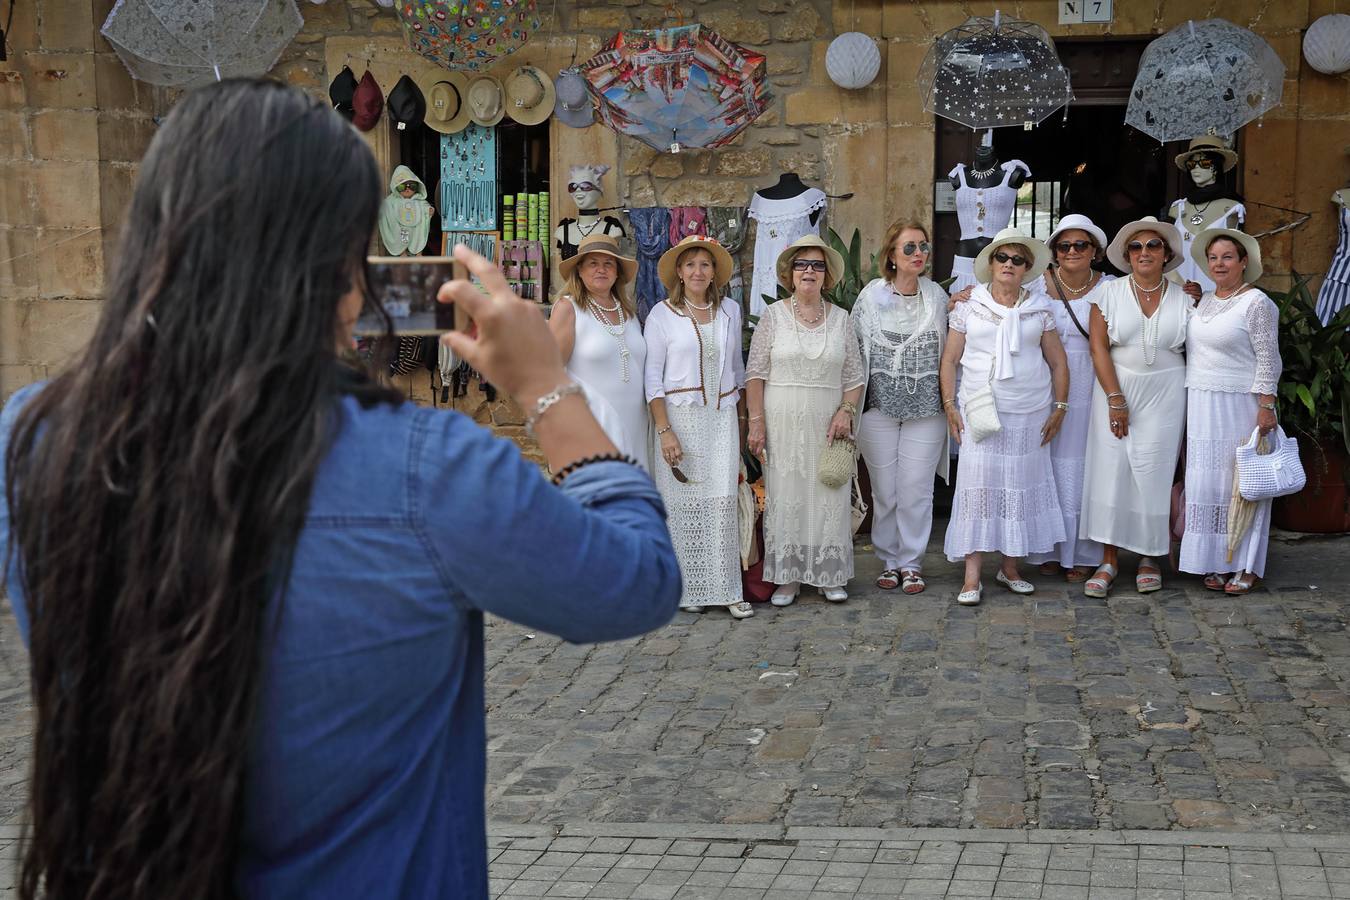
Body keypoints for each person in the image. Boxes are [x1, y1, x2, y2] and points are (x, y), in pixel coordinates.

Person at [0, 79, 680, 900]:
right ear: (345, 270)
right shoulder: (426, 465)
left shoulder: (33, 436)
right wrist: (544, 383)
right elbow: (633, 582)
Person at [939, 228, 1070, 606]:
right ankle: (972, 574)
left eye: (1018, 260)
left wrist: (1060, 407)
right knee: (978, 487)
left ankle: (1010, 567)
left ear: (1027, 268)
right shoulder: (968, 305)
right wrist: (949, 404)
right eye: (1003, 258)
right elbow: (949, 360)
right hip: (980, 407)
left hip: (1029, 410)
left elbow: (1058, 362)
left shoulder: (1039, 308)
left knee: (1018, 484)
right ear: (991, 264)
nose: (1009, 265)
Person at [745, 235, 865, 607]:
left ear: (826, 276)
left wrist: (846, 412)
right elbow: (755, 374)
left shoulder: (841, 319)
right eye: (801, 265)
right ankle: (789, 577)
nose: (809, 271)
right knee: (787, 495)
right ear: (790, 274)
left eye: (816, 265)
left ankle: (828, 574)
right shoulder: (773, 316)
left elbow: (854, 378)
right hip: (782, 424)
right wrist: (756, 423)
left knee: (828, 494)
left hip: (828, 424)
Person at [1080, 217, 1190, 597]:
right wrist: (1115, 398)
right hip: (1116, 389)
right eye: (1136, 247)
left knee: (1155, 473)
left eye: (1153, 246)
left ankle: (1149, 556)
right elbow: (1097, 348)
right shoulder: (1108, 294)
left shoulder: (1186, 297)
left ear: (1167, 255)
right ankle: (1108, 559)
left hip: (1167, 393)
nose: (1144, 252)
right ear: (1127, 256)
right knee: (1112, 470)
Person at [644, 235, 752, 618]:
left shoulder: (730, 312)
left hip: (721, 417)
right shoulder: (661, 314)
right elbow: (652, 380)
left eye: (704, 264)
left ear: (714, 273)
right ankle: (688, 589)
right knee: (683, 503)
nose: (697, 271)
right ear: (679, 272)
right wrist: (664, 430)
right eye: (690, 264)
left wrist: (741, 425)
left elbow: (737, 374)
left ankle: (727, 589)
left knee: (721, 500)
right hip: (680, 417)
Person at [1178, 229, 1281, 593]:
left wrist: (1266, 406)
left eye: (1227, 257)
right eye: (1213, 258)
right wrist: (1193, 295)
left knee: (1243, 484)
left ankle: (1246, 565)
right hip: (1203, 403)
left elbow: (1269, 358)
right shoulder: (1204, 300)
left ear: (1243, 263)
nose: (1219, 264)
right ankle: (1215, 560)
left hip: (1240, 403)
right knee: (1209, 483)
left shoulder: (1257, 303)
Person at [850, 221, 950, 594]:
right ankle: (889, 560)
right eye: (908, 248)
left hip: (927, 410)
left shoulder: (937, 298)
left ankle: (911, 563)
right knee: (885, 492)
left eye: (923, 247)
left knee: (916, 489)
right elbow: (853, 352)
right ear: (891, 254)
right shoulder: (870, 296)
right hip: (878, 409)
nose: (918, 254)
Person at [1025, 214, 1114, 582]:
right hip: (1044, 382)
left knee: (1083, 464)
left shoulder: (1109, 287)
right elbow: (997, 295)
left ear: (1094, 251)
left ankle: (1081, 552)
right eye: (1064, 246)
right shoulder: (1036, 285)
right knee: (1045, 461)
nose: (1072, 251)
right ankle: (1047, 546)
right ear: (1054, 253)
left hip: (1091, 381)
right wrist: (960, 298)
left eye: (1081, 245)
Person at [548, 232, 651, 470]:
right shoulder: (568, 309)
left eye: (608, 264)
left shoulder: (630, 313)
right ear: (580, 271)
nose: (601, 270)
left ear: (617, 272)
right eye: (592, 263)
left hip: (634, 424)